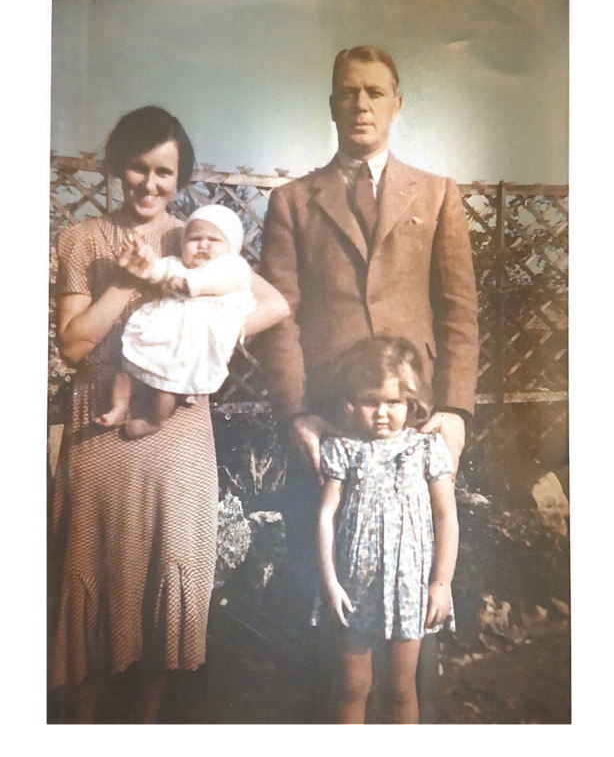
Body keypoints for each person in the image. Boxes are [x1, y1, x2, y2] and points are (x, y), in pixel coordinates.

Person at [48, 105, 289, 723]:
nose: (150, 185)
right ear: (115, 169)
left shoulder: (198, 240)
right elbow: (75, 345)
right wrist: (132, 284)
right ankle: (78, 725)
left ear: (180, 179)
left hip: (179, 426)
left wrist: (211, 340)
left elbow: (273, 303)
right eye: (137, 169)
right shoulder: (80, 240)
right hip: (101, 418)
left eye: (165, 172)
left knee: (164, 573)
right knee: (91, 579)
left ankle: (147, 727)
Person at [258, 45, 478, 721]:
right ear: (331, 106)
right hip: (330, 426)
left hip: (410, 424)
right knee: (335, 604)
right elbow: (279, 316)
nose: (361, 104)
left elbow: (460, 312)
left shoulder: (437, 195)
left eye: (375, 92)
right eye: (348, 92)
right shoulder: (292, 201)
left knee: (414, 616)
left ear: (397, 105)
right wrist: (299, 414)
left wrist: (457, 409)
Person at [314, 337, 458, 724]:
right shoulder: (344, 449)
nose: (381, 412)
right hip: (354, 587)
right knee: (352, 686)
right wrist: (330, 582)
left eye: (392, 402)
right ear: (351, 403)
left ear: (411, 402)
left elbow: (446, 517)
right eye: (369, 401)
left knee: (401, 688)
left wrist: (441, 583)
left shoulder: (426, 448)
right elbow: (327, 516)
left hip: (409, 587)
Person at [96, 204, 256, 439]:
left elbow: (219, 281)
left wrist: (189, 284)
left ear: (231, 247)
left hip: (192, 342)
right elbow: (156, 270)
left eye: (213, 239)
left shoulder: (233, 267)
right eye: (194, 238)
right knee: (126, 366)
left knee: (167, 386)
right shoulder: (176, 264)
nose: (202, 245)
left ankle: (154, 421)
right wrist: (143, 257)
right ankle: (118, 407)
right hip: (161, 331)